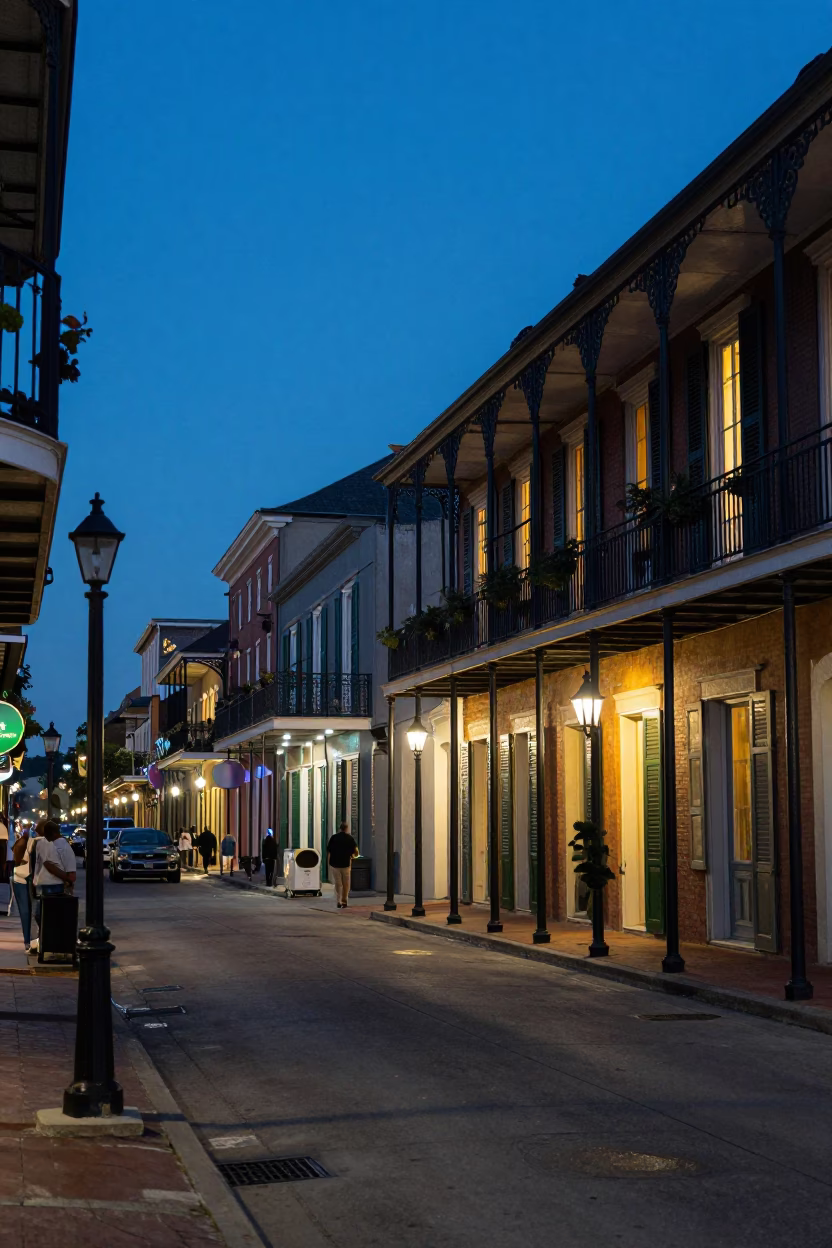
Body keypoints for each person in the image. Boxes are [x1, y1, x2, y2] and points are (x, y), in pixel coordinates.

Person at [31, 820, 76, 951]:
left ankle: (49, 944)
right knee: (44, 917)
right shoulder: (49, 844)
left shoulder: (60, 846)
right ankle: (46, 943)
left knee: (46, 917)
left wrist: (67, 879)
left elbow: (50, 865)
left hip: (52, 886)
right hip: (46, 885)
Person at [326, 821, 358, 909]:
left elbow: (329, 851)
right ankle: (344, 901)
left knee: (338, 884)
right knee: (346, 884)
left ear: (340, 828)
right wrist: (353, 856)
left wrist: (329, 862)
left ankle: (338, 901)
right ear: (346, 829)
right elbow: (355, 851)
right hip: (346, 864)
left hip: (335, 864)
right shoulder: (350, 838)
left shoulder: (333, 838)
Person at [11, 828, 33, 951]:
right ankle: (29, 941)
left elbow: (17, 859)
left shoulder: (23, 842)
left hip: (20, 877)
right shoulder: (28, 843)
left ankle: (28, 941)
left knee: (25, 911)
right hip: (25, 877)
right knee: (29, 911)